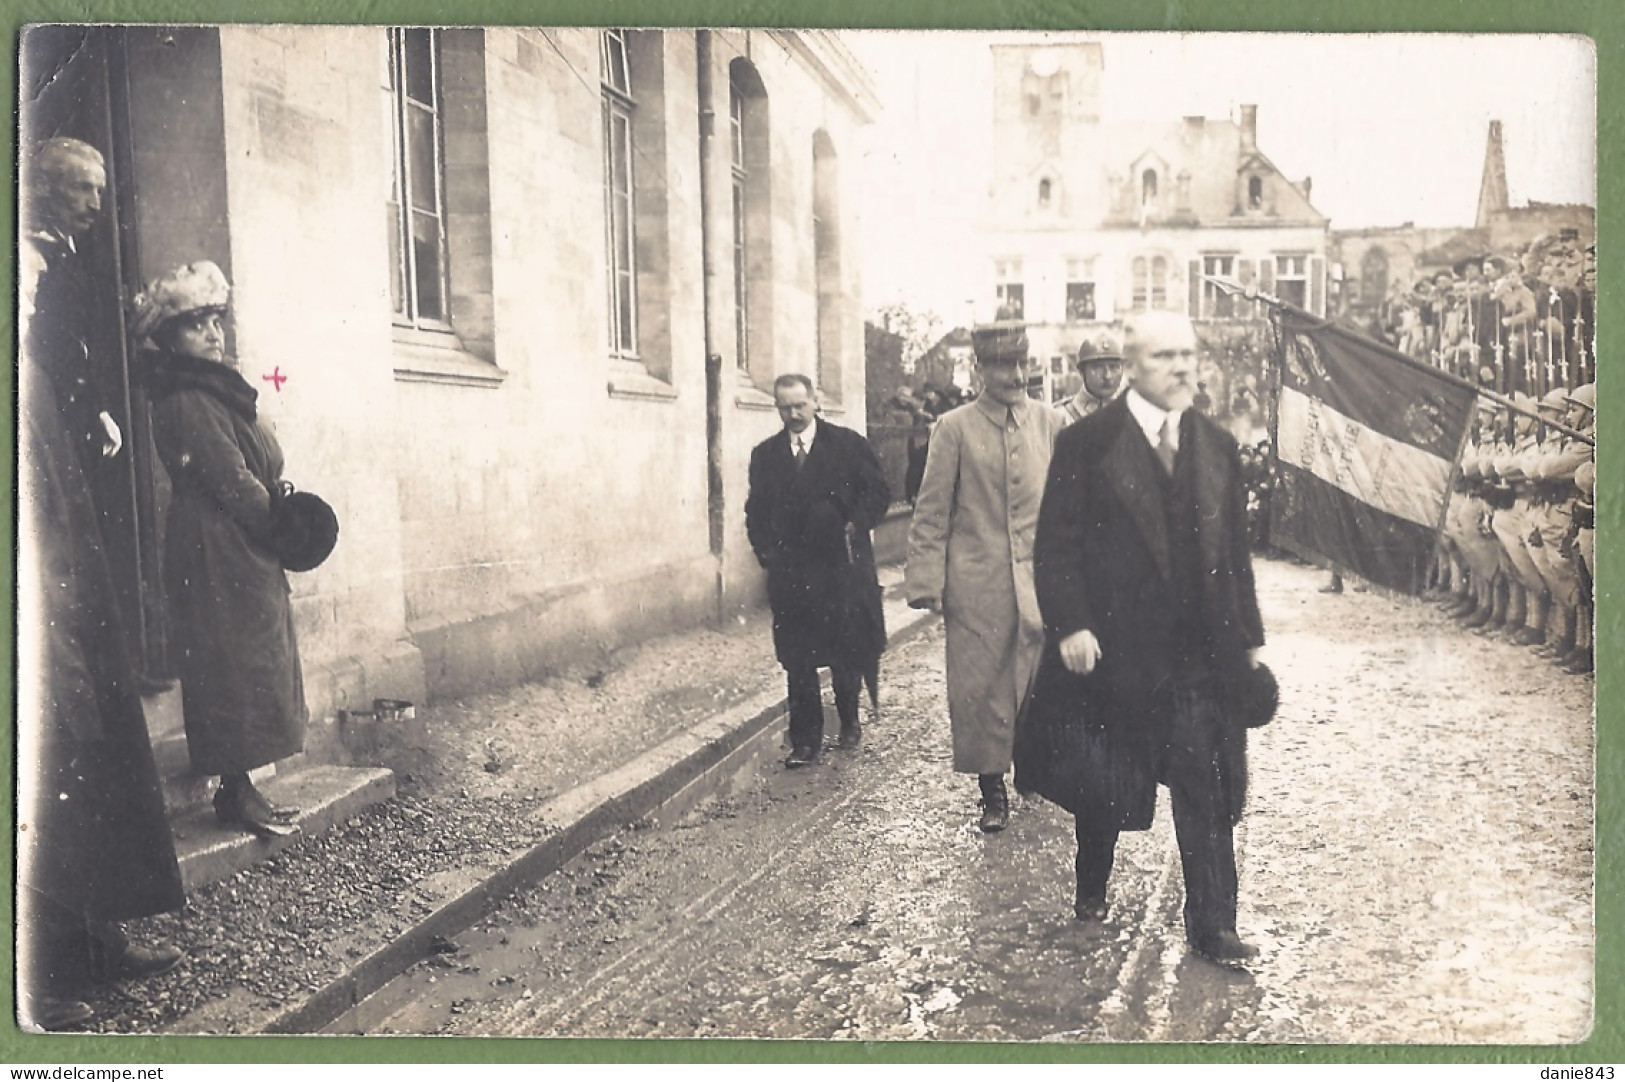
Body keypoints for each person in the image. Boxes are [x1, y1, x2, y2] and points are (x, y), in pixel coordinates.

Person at [1023, 310, 1267, 964]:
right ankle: (1090, 887)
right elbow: (1056, 546)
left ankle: (1213, 924)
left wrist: (1246, 641)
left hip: (1200, 659)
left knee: (1207, 790)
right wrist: (1071, 623)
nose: (1181, 366)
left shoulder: (1215, 446)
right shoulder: (1087, 444)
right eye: (1164, 356)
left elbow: (1236, 557)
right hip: (1116, 653)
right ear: (1130, 367)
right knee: (1104, 786)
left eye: (1188, 354)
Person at [18, 137, 186, 1032]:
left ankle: (96, 939)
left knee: (97, 744)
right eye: (80, 192)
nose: (94, 207)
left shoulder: (60, 291)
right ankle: (41, 972)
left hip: (70, 563)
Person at [135, 261, 307, 837]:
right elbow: (231, 481)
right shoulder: (188, 396)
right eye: (194, 325)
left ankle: (243, 787)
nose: (212, 334)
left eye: (216, 319)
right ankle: (235, 792)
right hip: (217, 545)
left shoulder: (217, 385)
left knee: (252, 656)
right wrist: (283, 528)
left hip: (241, 542)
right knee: (229, 663)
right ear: (168, 337)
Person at [905, 318, 1065, 833]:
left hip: (1040, 580)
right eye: (1002, 366)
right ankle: (991, 789)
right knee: (982, 687)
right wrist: (927, 582)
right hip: (977, 584)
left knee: (1039, 680)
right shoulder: (953, 428)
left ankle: (1035, 770)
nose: (1015, 375)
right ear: (979, 369)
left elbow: (1072, 508)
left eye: (1021, 364)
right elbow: (931, 510)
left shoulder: (1051, 424)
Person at [745, 374, 890, 768]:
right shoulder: (765, 456)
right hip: (791, 575)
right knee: (798, 659)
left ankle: (848, 720)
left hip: (839, 570)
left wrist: (854, 524)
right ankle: (805, 741)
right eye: (785, 407)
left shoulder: (847, 446)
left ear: (815, 403)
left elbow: (879, 491)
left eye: (800, 406)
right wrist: (767, 555)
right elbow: (755, 511)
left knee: (845, 650)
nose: (793, 414)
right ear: (777, 408)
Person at [1060, 335, 1124, 425]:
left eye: (1114, 367)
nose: (1107, 376)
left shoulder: (1133, 413)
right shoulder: (1061, 416)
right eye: (1098, 368)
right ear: (1082, 372)